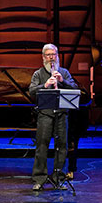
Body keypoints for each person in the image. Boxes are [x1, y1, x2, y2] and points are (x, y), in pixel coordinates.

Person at [29, 43, 78, 191]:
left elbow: (75, 88)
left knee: (62, 146)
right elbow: (31, 91)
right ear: (43, 57)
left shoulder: (64, 72)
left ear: (57, 56)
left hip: (62, 115)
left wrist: (62, 81)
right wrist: (45, 85)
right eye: (48, 55)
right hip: (45, 115)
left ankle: (59, 178)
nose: (51, 58)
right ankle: (39, 179)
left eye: (54, 55)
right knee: (42, 146)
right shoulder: (38, 74)